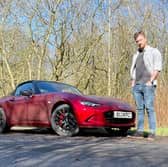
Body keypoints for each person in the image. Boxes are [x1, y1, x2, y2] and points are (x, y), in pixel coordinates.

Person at [130, 31, 162, 141]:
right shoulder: (136, 55)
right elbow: (134, 70)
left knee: (149, 108)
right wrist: (133, 82)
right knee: (139, 109)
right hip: (137, 86)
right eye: (137, 41)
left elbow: (157, 68)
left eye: (140, 40)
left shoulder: (154, 51)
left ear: (145, 39)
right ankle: (139, 131)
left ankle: (152, 132)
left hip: (148, 85)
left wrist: (151, 81)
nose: (139, 43)